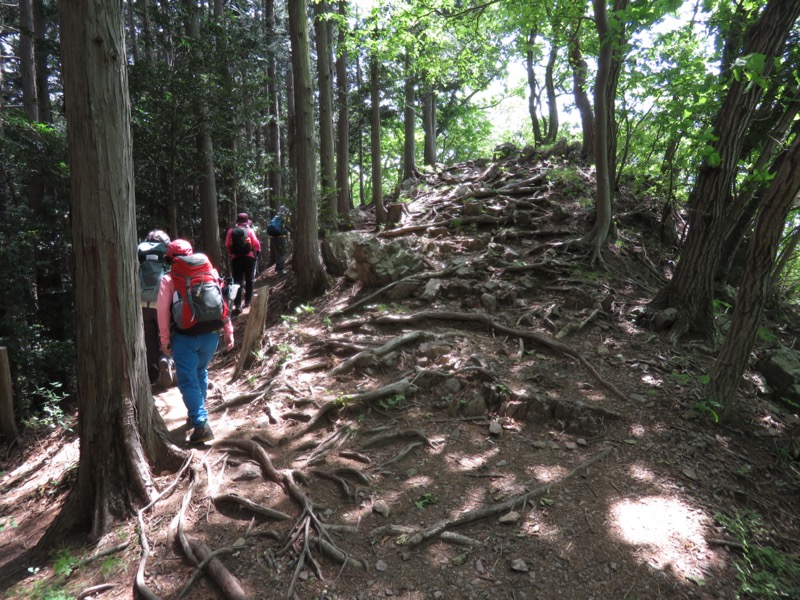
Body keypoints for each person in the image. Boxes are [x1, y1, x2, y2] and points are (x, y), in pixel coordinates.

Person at [157, 239, 234, 444]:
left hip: (184, 337)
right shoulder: (210, 271)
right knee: (201, 372)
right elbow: (222, 300)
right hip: (211, 334)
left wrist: (164, 340)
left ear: (170, 258)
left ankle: (200, 423)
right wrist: (228, 330)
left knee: (188, 380)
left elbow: (163, 312)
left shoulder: (169, 278)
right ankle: (196, 413)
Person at [137, 229, 175, 387]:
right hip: (162, 302)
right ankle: (167, 361)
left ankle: (153, 374)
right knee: (166, 334)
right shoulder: (166, 251)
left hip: (142, 303)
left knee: (149, 340)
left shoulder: (140, 251)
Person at [225, 212, 261, 315]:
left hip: (236, 259)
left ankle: (237, 305)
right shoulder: (249, 230)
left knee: (237, 282)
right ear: (246, 221)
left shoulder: (231, 231)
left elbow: (227, 244)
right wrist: (256, 253)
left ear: (237, 221)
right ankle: (248, 301)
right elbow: (256, 244)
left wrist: (231, 253)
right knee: (249, 279)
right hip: (249, 257)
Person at [267, 205, 290, 276]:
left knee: (279, 253)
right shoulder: (284, 217)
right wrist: (294, 231)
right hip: (280, 237)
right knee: (283, 253)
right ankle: (280, 270)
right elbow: (287, 226)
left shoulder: (276, 217)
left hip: (273, 237)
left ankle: (277, 268)